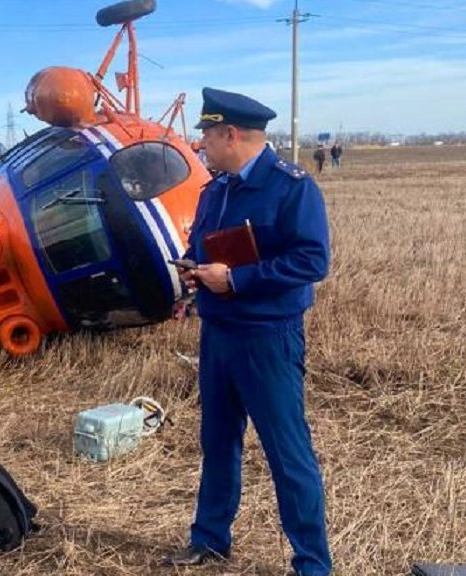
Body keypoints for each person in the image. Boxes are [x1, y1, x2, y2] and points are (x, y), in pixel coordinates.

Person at [167, 87, 332, 576]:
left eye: (207, 137)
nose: (201, 146)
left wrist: (236, 279)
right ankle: (210, 539)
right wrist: (194, 274)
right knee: (217, 442)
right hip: (218, 334)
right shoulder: (215, 189)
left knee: (287, 451)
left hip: (268, 337)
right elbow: (205, 247)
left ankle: (312, 563)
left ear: (231, 134)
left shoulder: (291, 187)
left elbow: (312, 259)